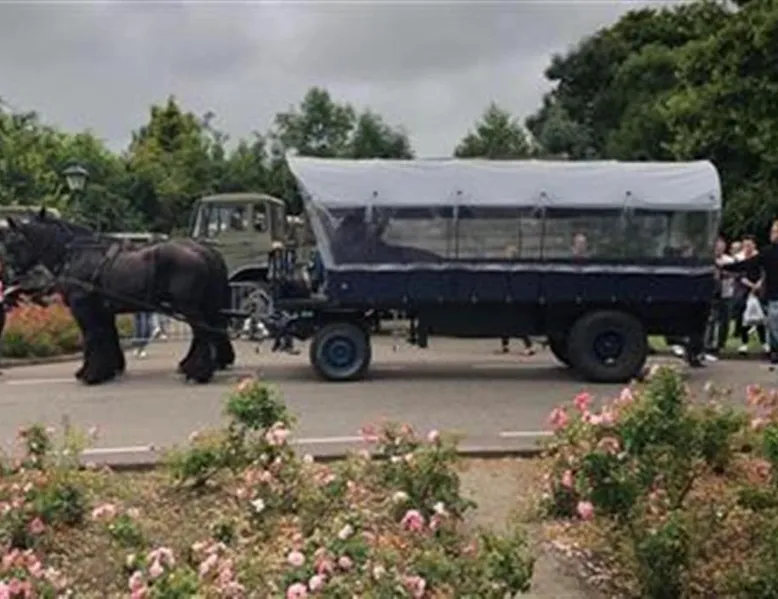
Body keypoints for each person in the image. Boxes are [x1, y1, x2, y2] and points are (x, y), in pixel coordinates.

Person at [722, 222, 778, 363]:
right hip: (772, 295)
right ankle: (774, 351)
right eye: (772, 231)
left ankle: (774, 350)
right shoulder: (767, 252)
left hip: (773, 295)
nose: (772, 234)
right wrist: (726, 266)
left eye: (775, 232)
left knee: (774, 324)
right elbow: (748, 264)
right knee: (772, 324)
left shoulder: (767, 252)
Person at [731, 235, 768, 355]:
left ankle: (764, 342)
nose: (747, 247)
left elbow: (764, 272)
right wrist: (752, 285)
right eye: (745, 245)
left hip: (759, 290)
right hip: (743, 290)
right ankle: (744, 343)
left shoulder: (760, 257)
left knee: (761, 317)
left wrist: (759, 284)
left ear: (754, 245)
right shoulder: (738, 258)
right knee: (744, 317)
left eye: (750, 245)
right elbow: (738, 275)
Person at [704, 236, 735, 360]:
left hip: (726, 292)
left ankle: (721, 344)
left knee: (724, 320)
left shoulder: (729, 260)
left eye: (721, 247)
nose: (719, 249)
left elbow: (736, 273)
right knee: (711, 319)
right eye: (717, 247)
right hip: (711, 294)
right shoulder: (708, 259)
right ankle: (708, 344)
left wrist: (724, 272)